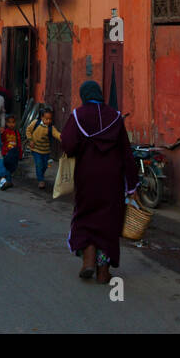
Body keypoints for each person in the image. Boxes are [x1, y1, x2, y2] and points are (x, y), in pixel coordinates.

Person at [60, 80, 138, 285]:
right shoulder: (116, 117)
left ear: (84, 95)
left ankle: (88, 259)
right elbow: (127, 153)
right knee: (108, 223)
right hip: (113, 179)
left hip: (87, 177)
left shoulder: (78, 116)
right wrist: (132, 185)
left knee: (85, 217)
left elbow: (68, 146)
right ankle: (103, 272)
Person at [27, 105, 61, 189]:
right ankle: (40, 180)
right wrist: (30, 140)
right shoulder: (35, 123)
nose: (48, 121)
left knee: (45, 165)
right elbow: (28, 130)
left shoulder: (51, 128)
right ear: (42, 117)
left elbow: (57, 134)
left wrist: (64, 138)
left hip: (45, 151)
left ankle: (40, 175)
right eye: (46, 119)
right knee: (39, 164)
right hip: (35, 148)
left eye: (50, 119)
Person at [0, 113, 22, 190]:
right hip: (6, 153)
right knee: (7, 167)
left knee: (12, 168)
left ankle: (7, 180)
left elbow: (19, 144)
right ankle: (8, 181)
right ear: (6, 123)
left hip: (14, 154)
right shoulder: (5, 132)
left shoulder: (16, 133)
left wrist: (20, 154)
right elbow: (0, 140)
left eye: (13, 122)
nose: (11, 124)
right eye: (9, 122)